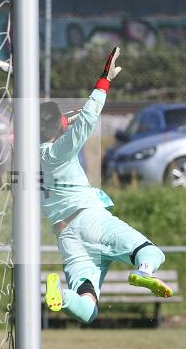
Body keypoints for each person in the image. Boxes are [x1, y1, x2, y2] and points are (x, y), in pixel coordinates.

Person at [40, 47, 173, 325]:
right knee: (150, 252)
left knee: (89, 307)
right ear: (56, 130)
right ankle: (144, 273)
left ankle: (63, 297)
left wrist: (61, 121)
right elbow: (86, 121)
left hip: (66, 235)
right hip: (90, 220)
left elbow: (62, 123)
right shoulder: (57, 152)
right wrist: (104, 80)